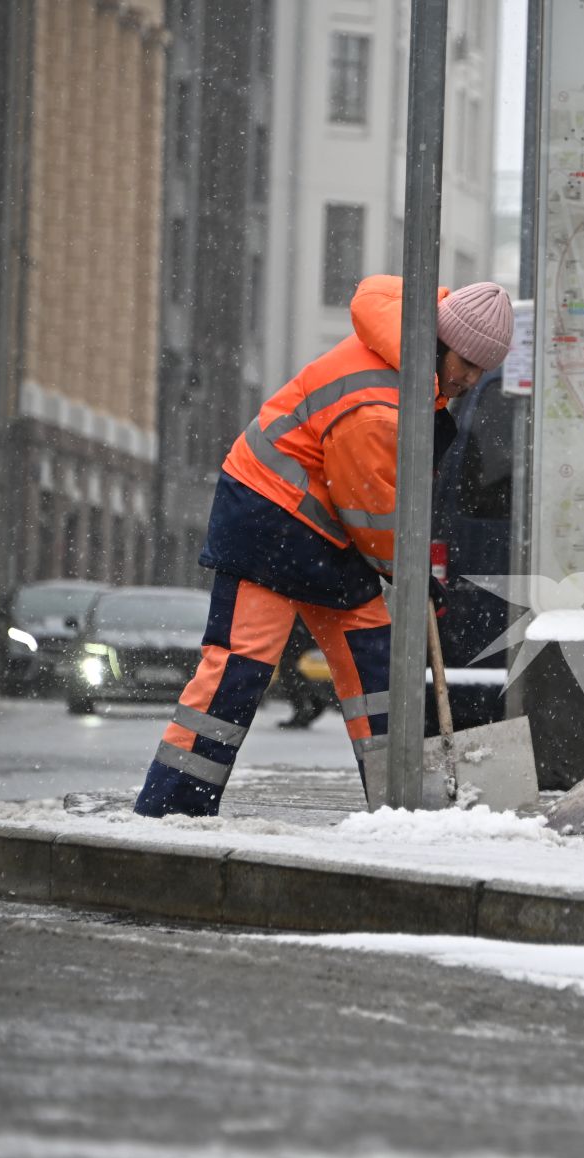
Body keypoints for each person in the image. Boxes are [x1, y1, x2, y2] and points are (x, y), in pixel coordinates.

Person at [134, 275, 513, 817]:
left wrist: (403, 567)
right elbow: (372, 508)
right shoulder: (380, 405)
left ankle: (400, 809)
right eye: (466, 365)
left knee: (377, 671)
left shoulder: (408, 355)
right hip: (267, 522)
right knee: (239, 670)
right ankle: (170, 810)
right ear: (441, 342)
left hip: (325, 532)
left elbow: (373, 506)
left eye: (481, 371)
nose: (470, 380)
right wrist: (406, 573)